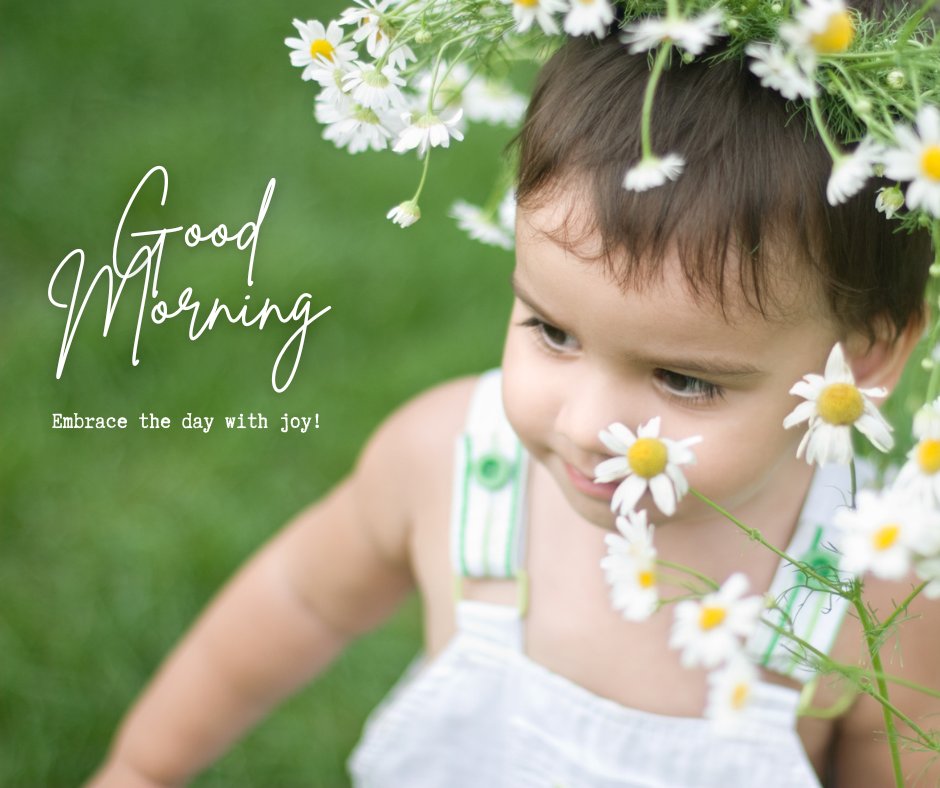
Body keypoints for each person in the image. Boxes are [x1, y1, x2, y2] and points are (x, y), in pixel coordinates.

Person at [89, 26, 940, 788]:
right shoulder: (447, 462)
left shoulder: (875, 596)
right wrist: (141, 767)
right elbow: (301, 598)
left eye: (684, 380)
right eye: (552, 330)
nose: (581, 425)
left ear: (862, 359)